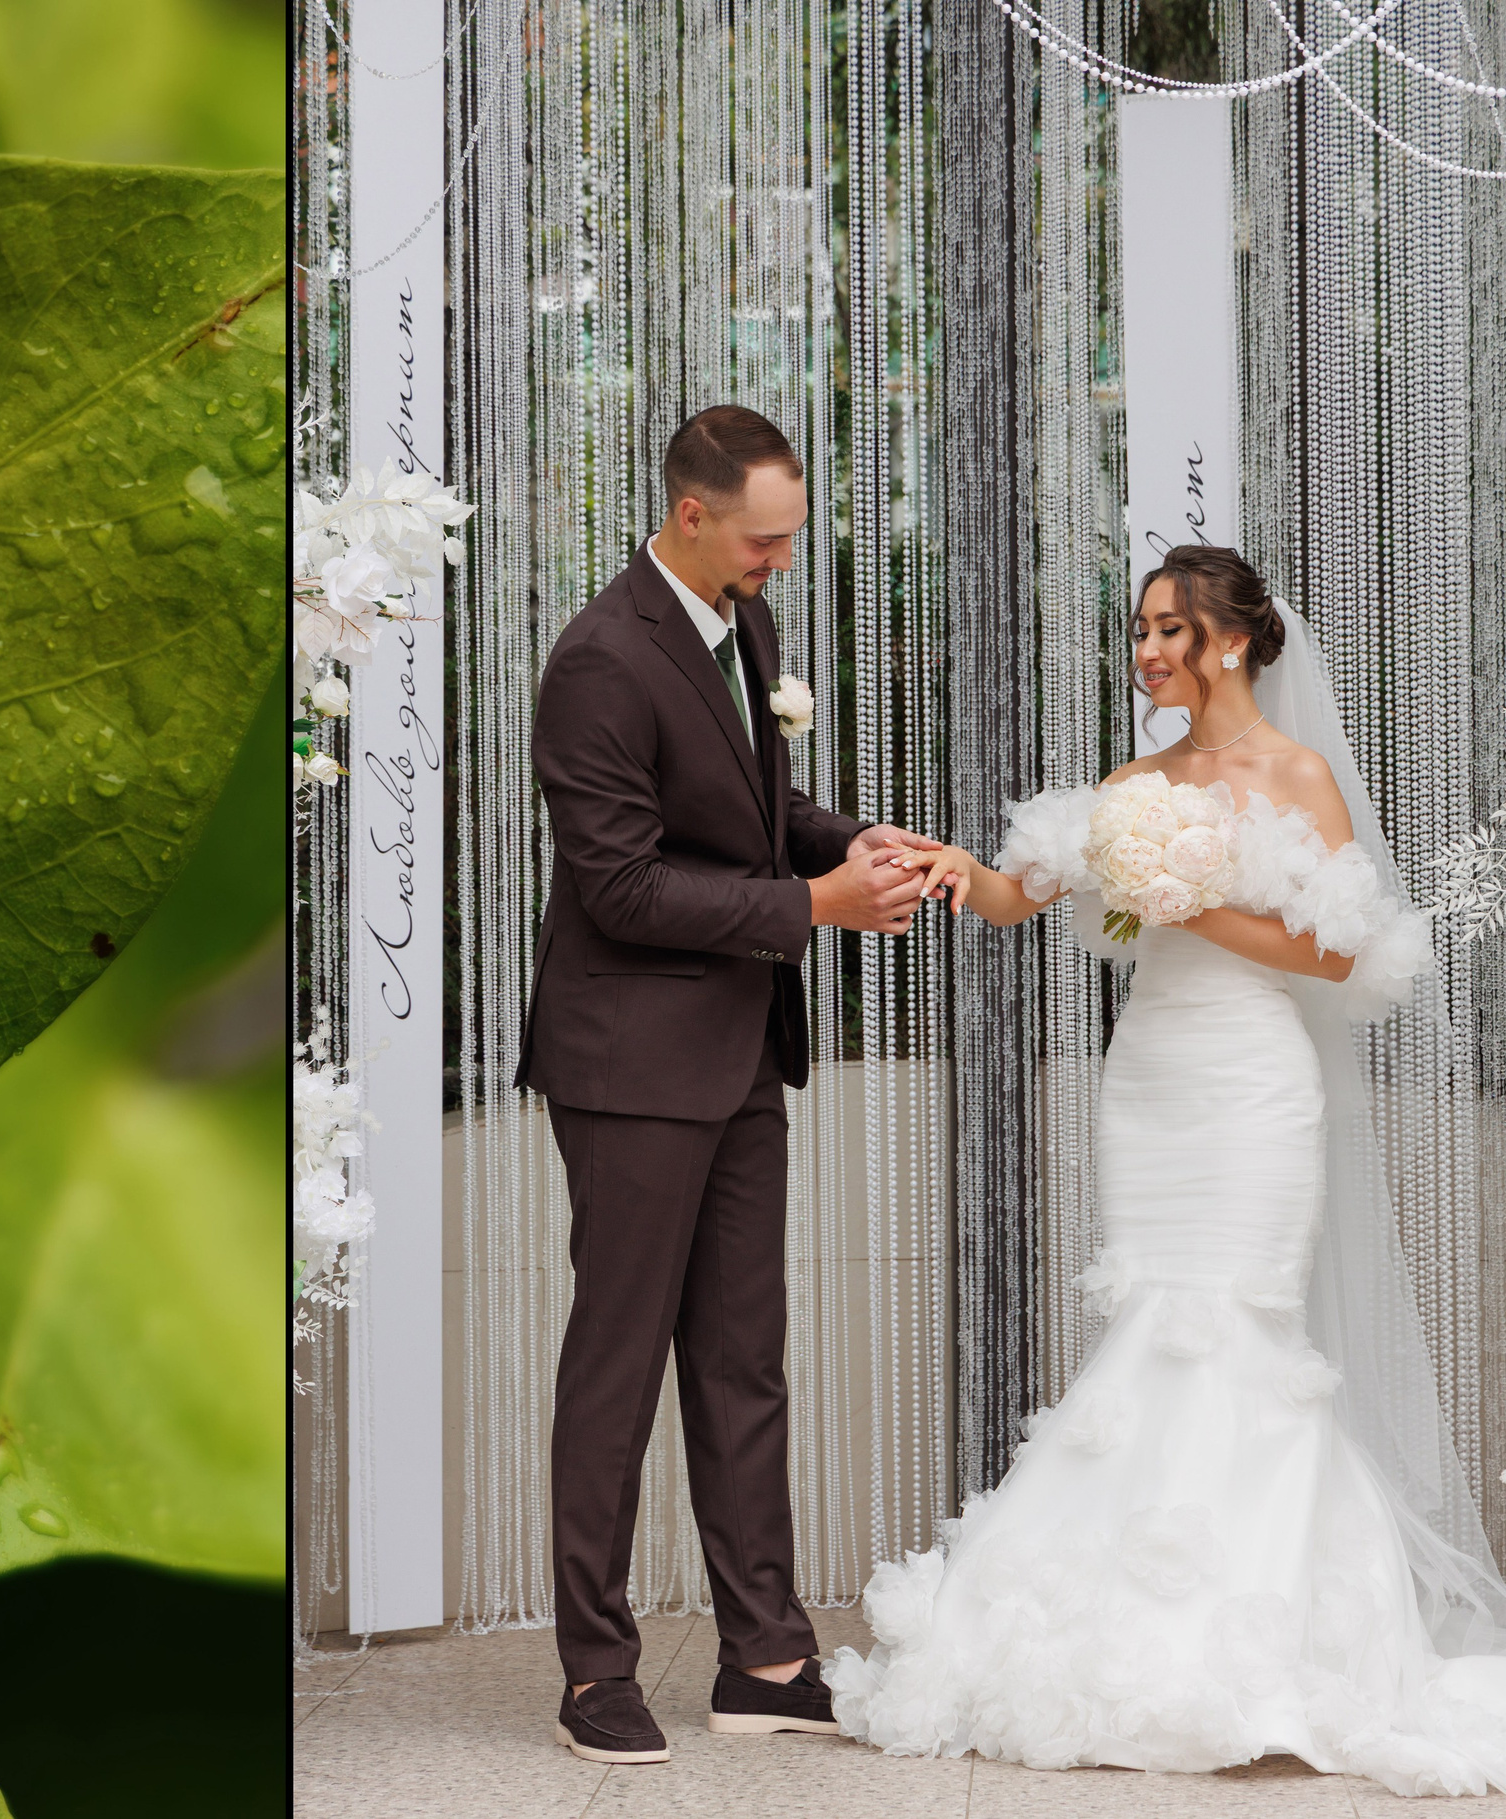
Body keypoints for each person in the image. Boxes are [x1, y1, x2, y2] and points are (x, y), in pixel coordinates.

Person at [838, 543, 1506, 1795]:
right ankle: (1117, 1643)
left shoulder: (1295, 775)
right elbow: (1017, 895)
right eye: (1138, 630)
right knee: (1150, 1316)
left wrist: (1183, 896)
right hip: (1150, 1081)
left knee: (1238, 1331)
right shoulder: (1133, 779)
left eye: (1167, 630)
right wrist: (951, 869)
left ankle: (1261, 1653)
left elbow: (1332, 956)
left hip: (1255, 1086)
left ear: (1235, 642)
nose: (1144, 651)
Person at [516, 403, 938, 1765]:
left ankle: (763, 1653)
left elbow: (752, 814)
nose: (780, 564)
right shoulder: (596, 661)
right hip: (629, 1063)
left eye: (789, 539)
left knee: (744, 1361)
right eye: (765, 540)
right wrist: (813, 901)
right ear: (691, 513)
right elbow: (623, 884)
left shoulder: (741, 626)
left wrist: (850, 840)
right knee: (618, 1364)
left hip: (742, 1050)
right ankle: (594, 1670)